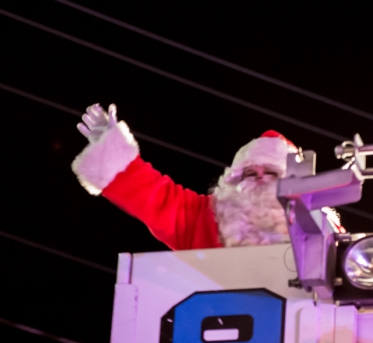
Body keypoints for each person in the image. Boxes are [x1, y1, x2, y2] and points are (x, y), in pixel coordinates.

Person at [71, 103, 342, 250]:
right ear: (234, 179)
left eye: (271, 172)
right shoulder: (205, 216)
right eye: (249, 173)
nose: (260, 177)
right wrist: (113, 150)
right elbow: (153, 196)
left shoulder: (318, 221)